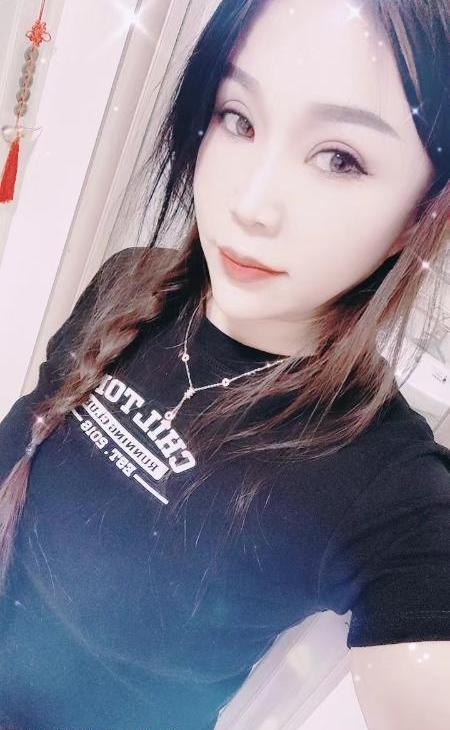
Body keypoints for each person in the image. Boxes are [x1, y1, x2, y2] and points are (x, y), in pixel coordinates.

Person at [0, 0, 449, 728]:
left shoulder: (382, 479)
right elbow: (26, 430)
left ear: (421, 211)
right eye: (238, 118)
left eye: (340, 158)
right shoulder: (130, 279)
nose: (251, 203)